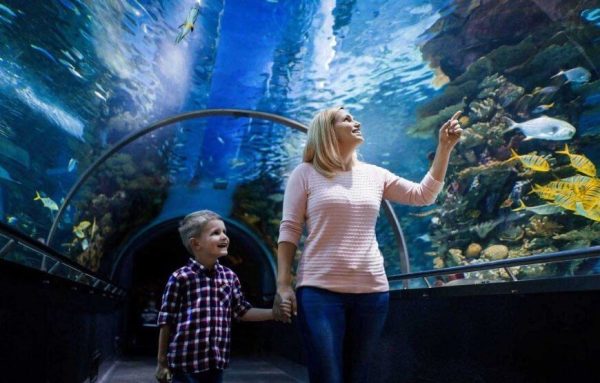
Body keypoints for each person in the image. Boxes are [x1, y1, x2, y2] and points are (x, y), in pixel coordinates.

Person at [274, 107, 463, 383]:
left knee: (358, 376)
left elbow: (423, 195)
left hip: (372, 293)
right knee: (327, 375)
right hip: (319, 292)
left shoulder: (375, 174)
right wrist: (283, 285)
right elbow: (290, 228)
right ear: (327, 131)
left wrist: (444, 148)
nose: (357, 121)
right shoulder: (305, 174)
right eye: (347, 119)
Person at [155, 210, 290, 383]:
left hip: (215, 364)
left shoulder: (229, 277)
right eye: (215, 233)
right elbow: (166, 321)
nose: (224, 237)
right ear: (196, 244)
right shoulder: (181, 278)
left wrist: (273, 313)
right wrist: (162, 362)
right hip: (184, 364)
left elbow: (241, 311)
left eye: (225, 232)